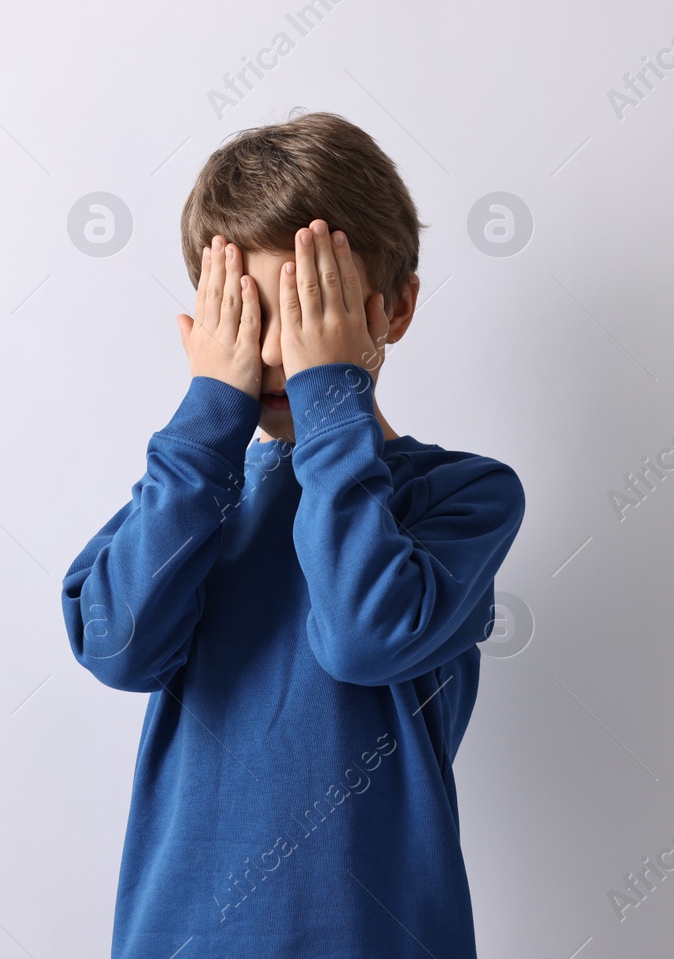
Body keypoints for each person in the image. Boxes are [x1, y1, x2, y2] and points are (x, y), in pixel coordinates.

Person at [60, 111, 527, 957]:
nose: (278, 353)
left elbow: (364, 635)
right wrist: (209, 416)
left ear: (396, 309)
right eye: (246, 316)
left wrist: (332, 400)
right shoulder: (197, 494)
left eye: (314, 309)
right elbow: (117, 646)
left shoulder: (463, 496)